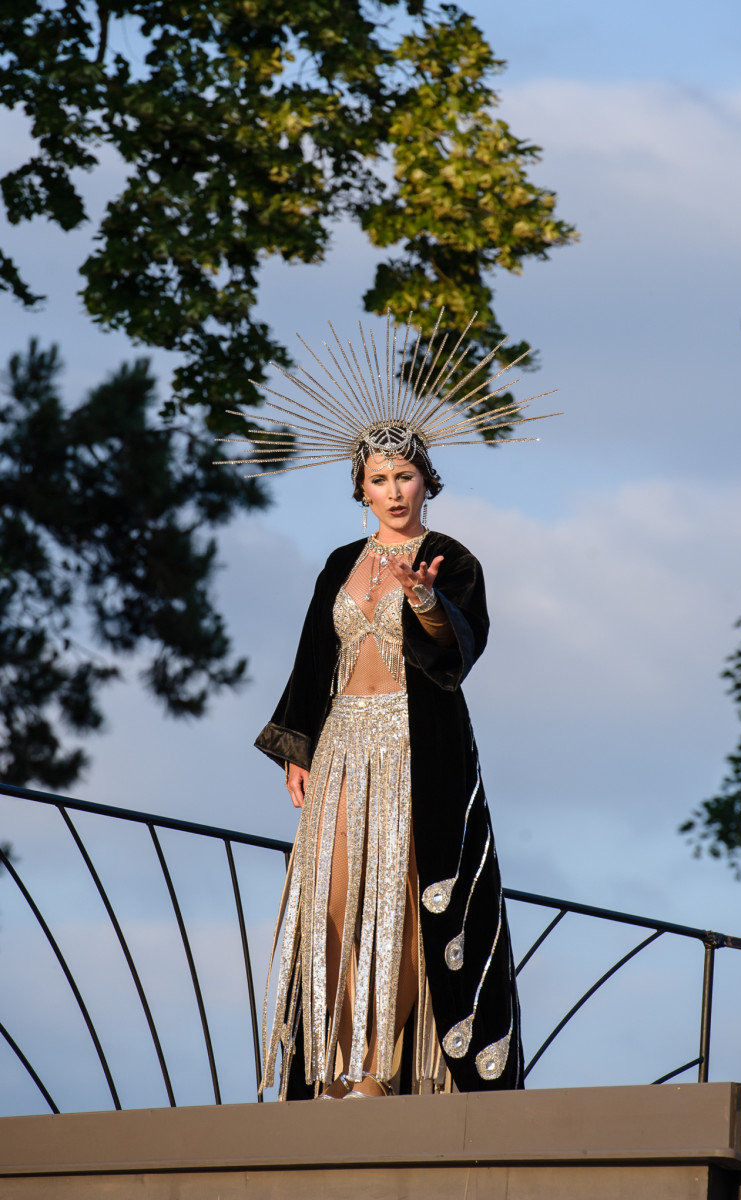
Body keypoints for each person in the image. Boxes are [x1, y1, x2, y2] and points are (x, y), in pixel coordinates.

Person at [219, 312, 557, 1100]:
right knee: (332, 905)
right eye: (378, 478)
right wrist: (296, 747)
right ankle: (329, 1064)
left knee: (404, 910)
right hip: (341, 746)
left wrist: (427, 600)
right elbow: (312, 659)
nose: (393, 491)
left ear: (426, 480)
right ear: (361, 487)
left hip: (418, 744)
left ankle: (376, 1068)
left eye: (404, 476)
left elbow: (457, 650)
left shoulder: (452, 559)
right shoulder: (340, 562)